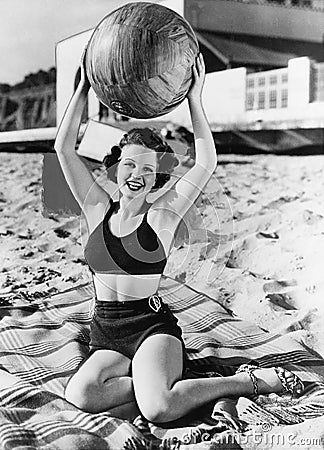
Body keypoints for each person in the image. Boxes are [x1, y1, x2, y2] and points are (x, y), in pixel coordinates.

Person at [54, 51, 304, 424]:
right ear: (115, 167)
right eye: (129, 164)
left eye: (147, 169)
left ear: (156, 177)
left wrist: (194, 99)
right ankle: (166, 382)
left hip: (150, 327)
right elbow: (63, 148)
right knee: (81, 395)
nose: (136, 174)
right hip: (106, 331)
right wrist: (83, 89)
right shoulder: (96, 209)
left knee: (159, 409)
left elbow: (206, 163)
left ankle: (241, 383)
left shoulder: (162, 216)